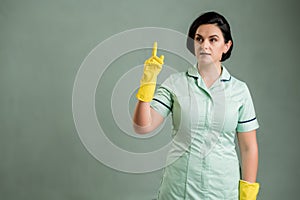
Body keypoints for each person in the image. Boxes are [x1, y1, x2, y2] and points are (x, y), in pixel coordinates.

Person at [133, 11, 260, 200]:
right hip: (178, 190)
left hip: (223, 191)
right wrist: (148, 83)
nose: (204, 45)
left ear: (226, 46)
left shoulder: (239, 91)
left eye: (213, 40)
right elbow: (143, 127)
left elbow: (249, 147)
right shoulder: (175, 84)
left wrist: (247, 195)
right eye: (199, 39)